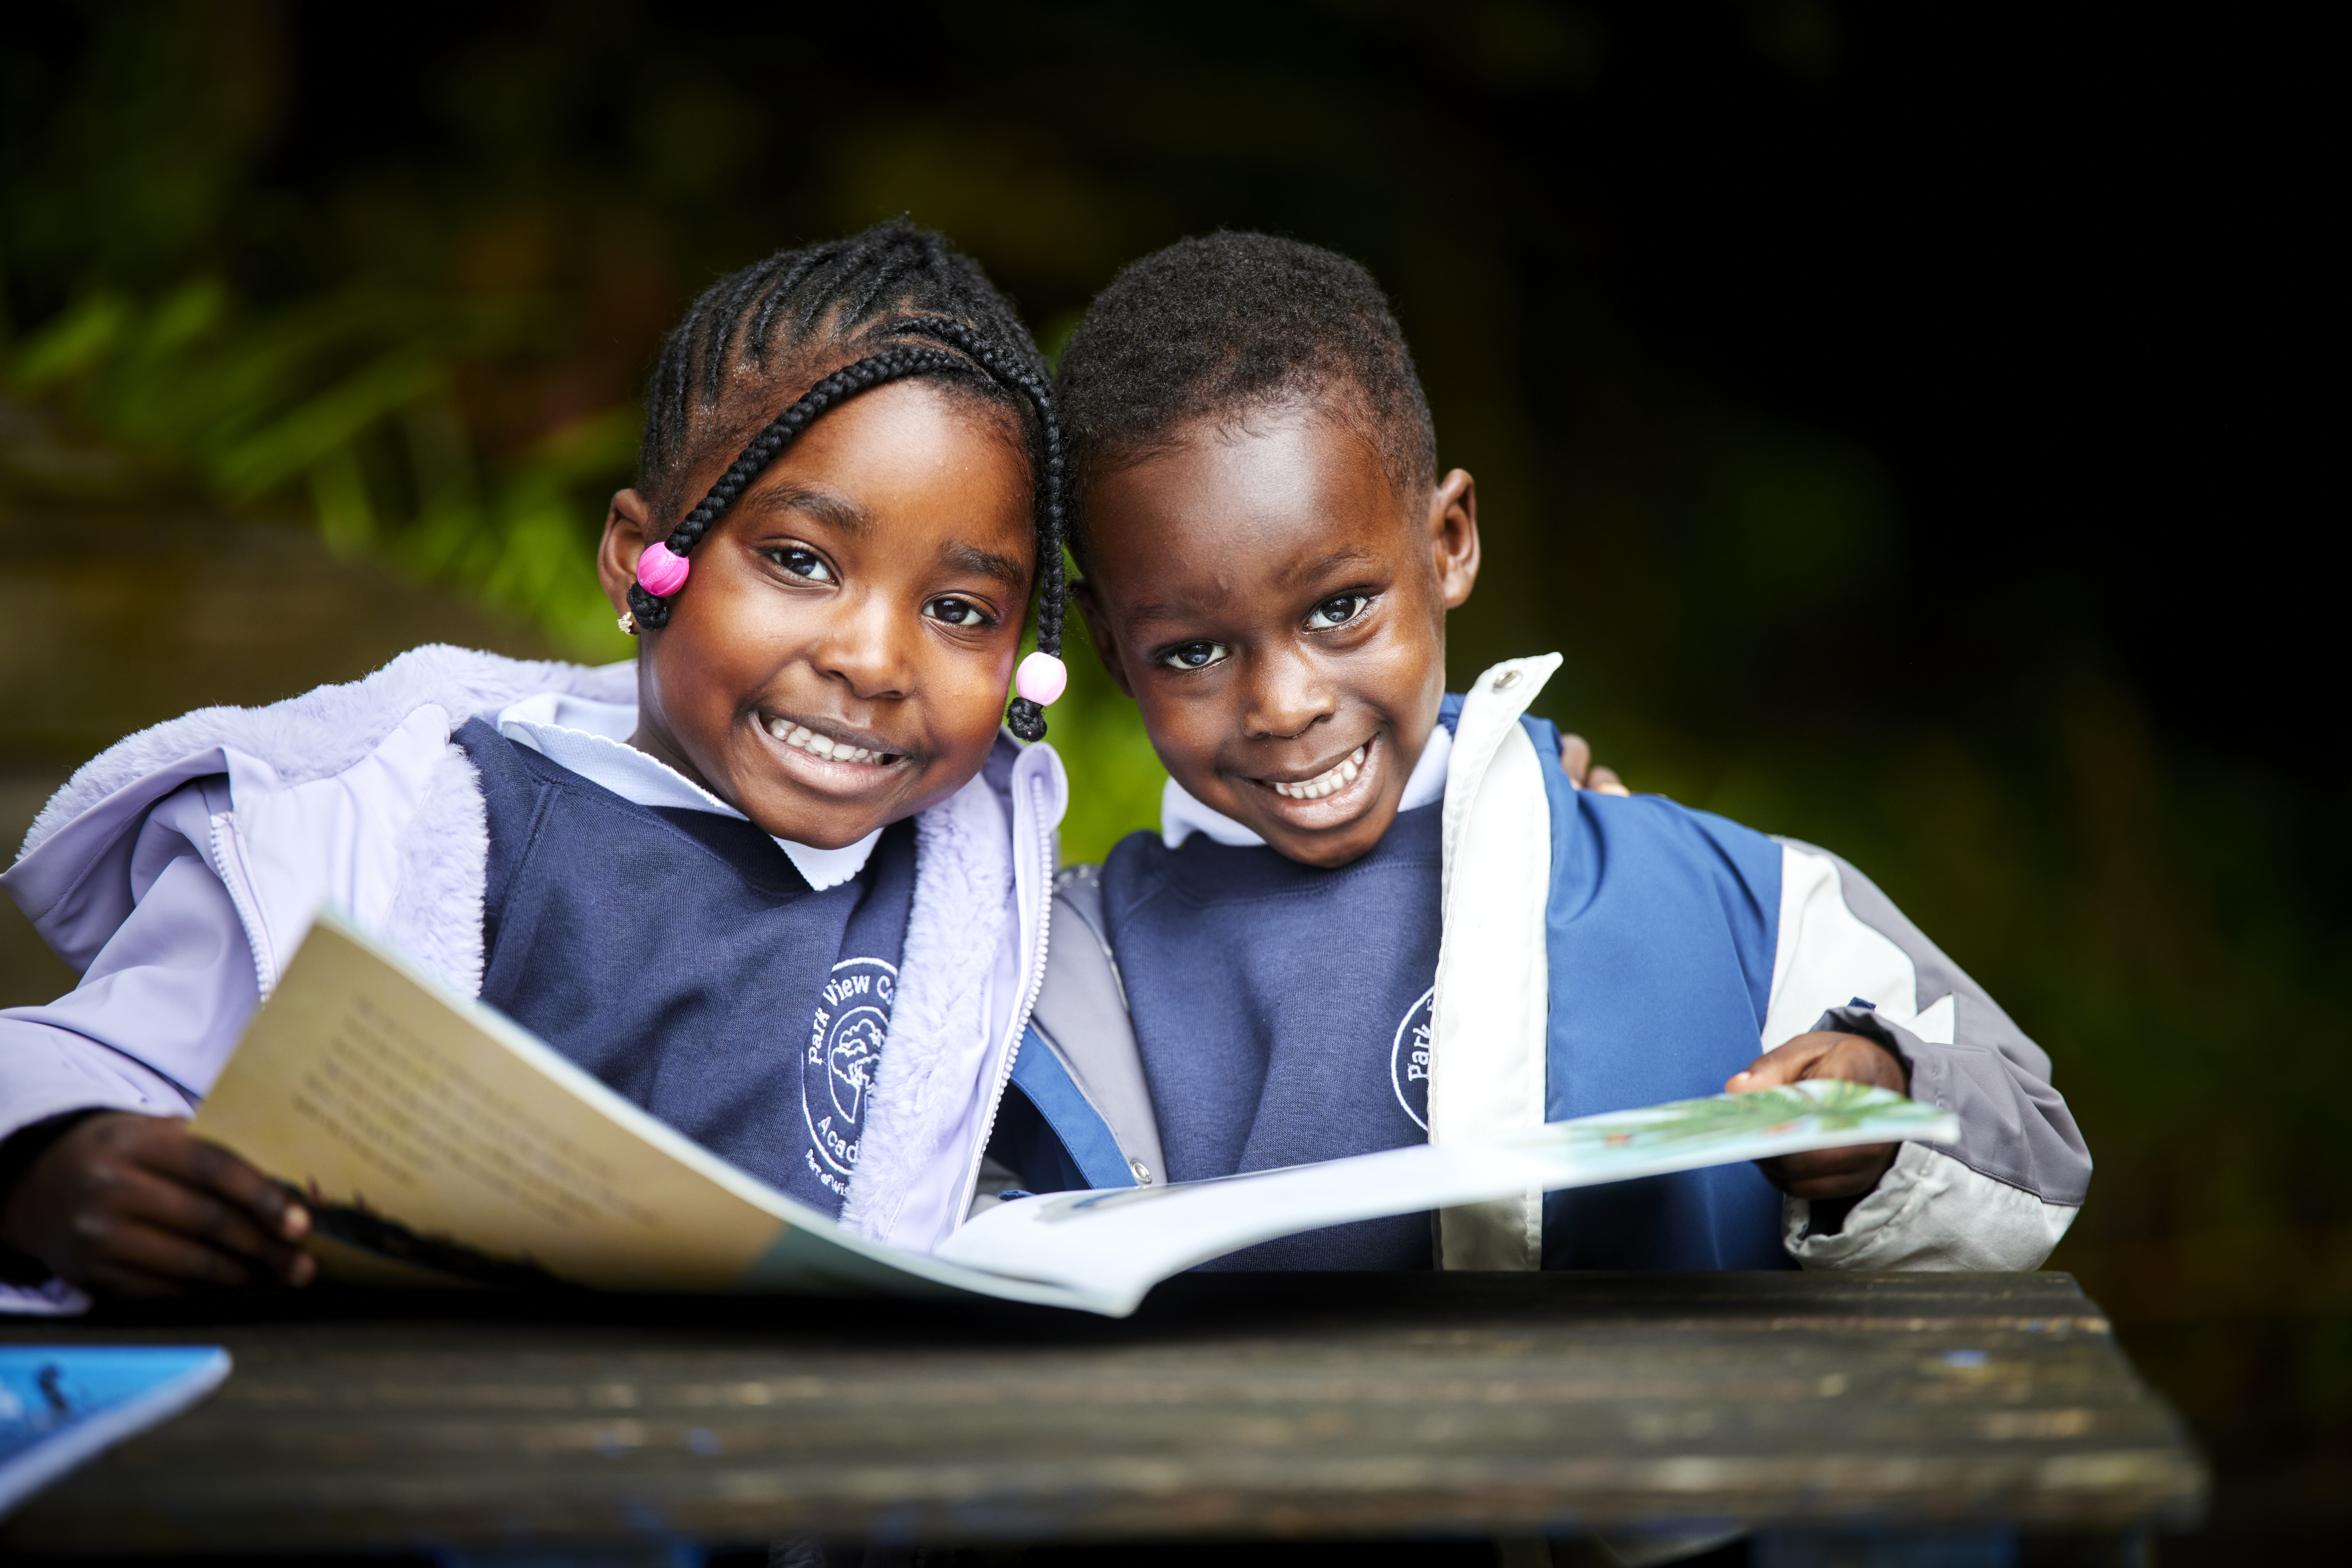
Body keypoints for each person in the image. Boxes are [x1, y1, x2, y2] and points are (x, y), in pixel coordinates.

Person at [0, 222, 1077, 1304]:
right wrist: (53, 1171)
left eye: (959, 610)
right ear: (638, 563)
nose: (873, 659)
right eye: (799, 561)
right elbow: (85, 1065)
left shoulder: (976, 899)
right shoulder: (395, 820)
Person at [994, 233, 2088, 1274]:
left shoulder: (1725, 906)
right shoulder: (1048, 974)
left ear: (1449, 543)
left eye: (1340, 609)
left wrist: (1879, 1105)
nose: (1283, 703)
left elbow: (2034, 1155)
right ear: (1110, 650)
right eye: (1190, 650)